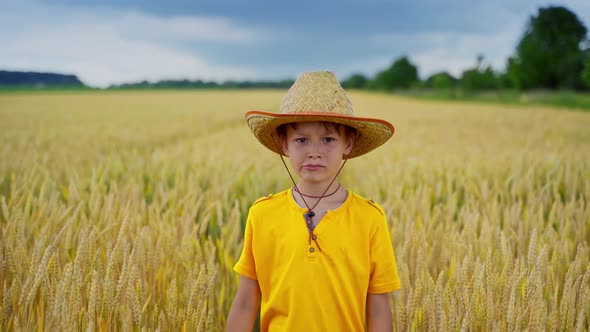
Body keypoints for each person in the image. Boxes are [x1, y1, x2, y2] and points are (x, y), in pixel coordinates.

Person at [226, 71, 401, 331]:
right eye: (302, 140)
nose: (314, 152)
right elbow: (245, 301)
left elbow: (378, 306)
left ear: (348, 144)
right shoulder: (262, 214)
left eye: (328, 139)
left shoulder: (370, 218)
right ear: (284, 144)